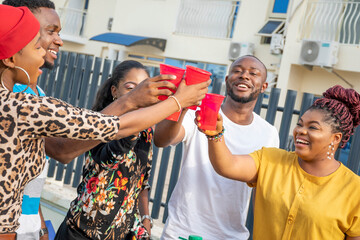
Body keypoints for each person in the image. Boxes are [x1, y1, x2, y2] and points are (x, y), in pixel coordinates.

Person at [0, 5, 209, 239]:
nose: (45, 50)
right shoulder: (23, 106)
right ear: (10, 58)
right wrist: (176, 101)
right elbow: (111, 128)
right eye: (37, 45)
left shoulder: (24, 101)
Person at [199, 85, 360, 240]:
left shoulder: (354, 190)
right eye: (300, 124)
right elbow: (228, 166)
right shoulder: (270, 160)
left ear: (335, 138)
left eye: (313, 128)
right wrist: (216, 135)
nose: (300, 131)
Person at [154, 55, 279, 239]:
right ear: (228, 80)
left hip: (231, 236)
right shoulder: (198, 113)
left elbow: (265, 188)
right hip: (182, 231)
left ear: (264, 86)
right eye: (237, 71)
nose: (244, 76)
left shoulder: (268, 133)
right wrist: (182, 105)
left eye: (253, 73)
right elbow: (162, 140)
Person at [55, 60, 157, 239]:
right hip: (82, 231)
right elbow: (109, 158)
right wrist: (134, 124)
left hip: (119, 234)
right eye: (130, 87)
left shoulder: (146, 131)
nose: (138, 94)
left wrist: (145, 218)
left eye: (143, 88)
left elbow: (142, 180)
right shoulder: (99, 122)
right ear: (114, 91)